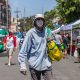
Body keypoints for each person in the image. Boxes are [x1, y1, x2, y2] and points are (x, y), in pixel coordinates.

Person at [18, 14, 53, 80]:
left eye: (41, 19)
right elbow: (23, 50)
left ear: (44, 21)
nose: (40, 21)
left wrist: (51, 40)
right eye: (38, 19)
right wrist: (22, 64)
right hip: (34, 65)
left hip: (46, 64)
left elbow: (53, 45)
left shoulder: (47, 31)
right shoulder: (30, 33)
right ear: (35, 21)